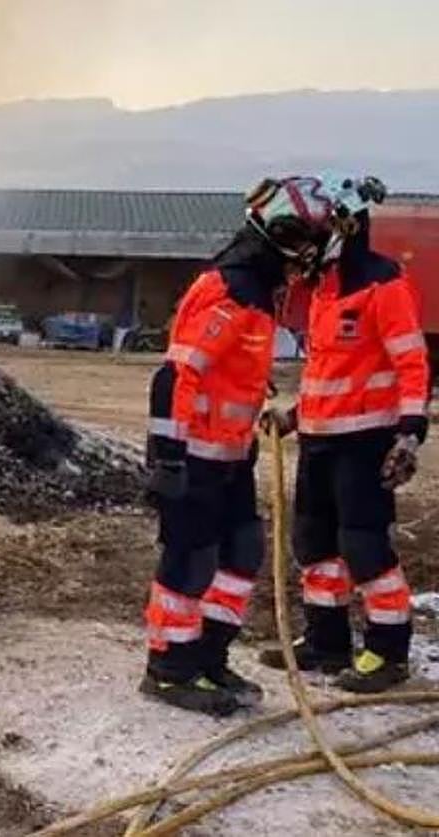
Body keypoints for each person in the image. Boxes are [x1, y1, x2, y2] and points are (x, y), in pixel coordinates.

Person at [142, 177, 337, 717]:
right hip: (195, 457)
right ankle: (168, 668)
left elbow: (223, 367)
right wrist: (169, 459)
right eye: (307, 244)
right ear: (282, 235)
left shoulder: (258, 290)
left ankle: (207, 655)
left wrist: (252, 383)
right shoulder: (231, 290)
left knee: (242, 552)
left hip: (231, 455)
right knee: (190, 561)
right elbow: (173, 378)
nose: (309, 258)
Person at [259, 175, 427, 693]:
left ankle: (387, 652)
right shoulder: (324, 293)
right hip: (318, 440)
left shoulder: (383, 285)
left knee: (364, 547)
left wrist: (409, 436)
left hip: (365, 444)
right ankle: (326, 642)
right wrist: (293, 416)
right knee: (314, 544)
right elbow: (329, 373)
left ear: (344, 227)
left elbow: (413, 366)